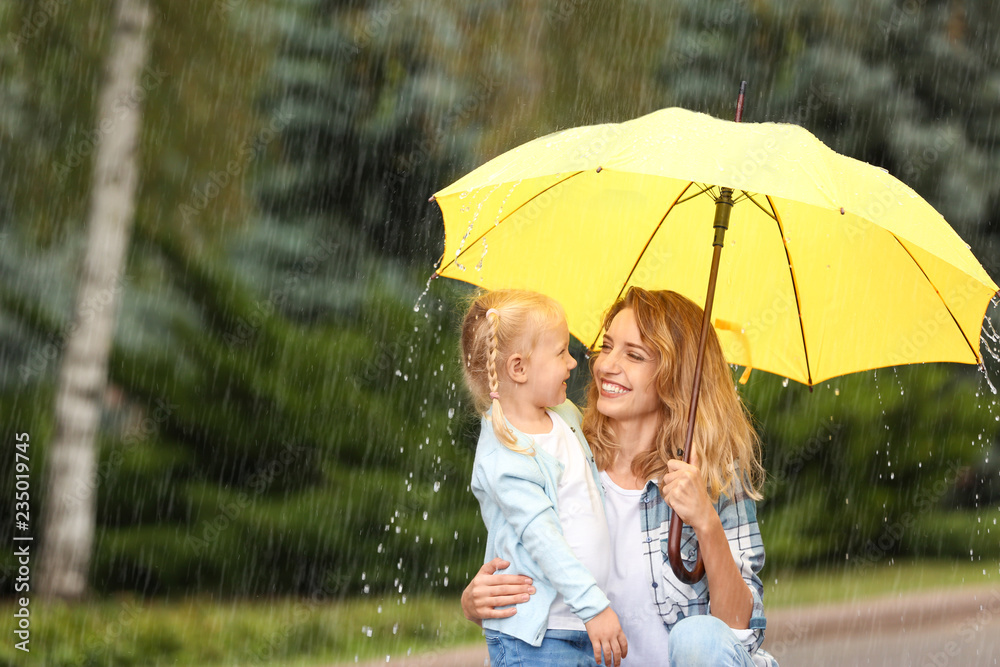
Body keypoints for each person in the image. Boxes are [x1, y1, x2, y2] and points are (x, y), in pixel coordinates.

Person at [462, 288, 778, 666]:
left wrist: (706, 522)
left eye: (634, 355)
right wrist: (475, 601)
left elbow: (739, 631)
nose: (605, 365)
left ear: (677, 374)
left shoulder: (712, 476)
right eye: (607, 346)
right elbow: (527, 543)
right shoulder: (565, 452)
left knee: (699, 637)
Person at [460, 289, 629, 667]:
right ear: (518, 368)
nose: (573, 362)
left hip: (578, 624)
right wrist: (594, 607)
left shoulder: (563, 415)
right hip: (539, 636)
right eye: (561, 352)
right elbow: (544, 540)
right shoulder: (506, 455)